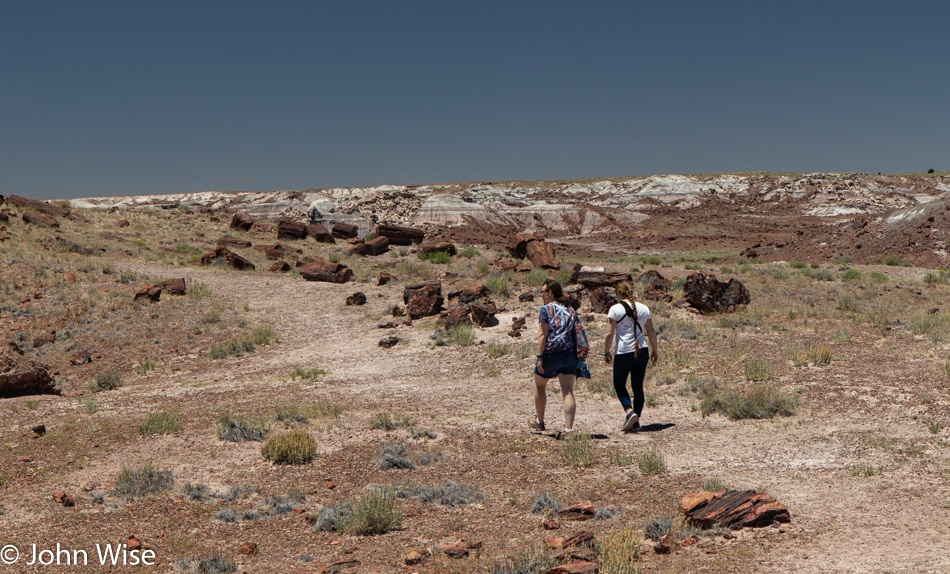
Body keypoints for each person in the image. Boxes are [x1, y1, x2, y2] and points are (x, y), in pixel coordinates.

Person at [604, 280, 659, 432]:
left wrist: (606, 351)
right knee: (637, 387)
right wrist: (655, 350)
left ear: (618, 293)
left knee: (619, 384)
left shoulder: (615, 309)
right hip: (642, 350)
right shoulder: (644, 308)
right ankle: (636, 422)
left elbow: (610, 333)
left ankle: (629, 412)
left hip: (623, 352)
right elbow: (651, 332)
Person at [529, 279, 580, 435]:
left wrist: (539, 356)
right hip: (568, 354)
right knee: (568, 391)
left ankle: (540, 422)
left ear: (550, 292)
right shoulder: (570, 309)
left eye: (543, 292)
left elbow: (543, 335)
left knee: (540, 385)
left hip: (551, 353)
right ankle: (568, 430)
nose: (541, 295)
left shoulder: (545, 310)